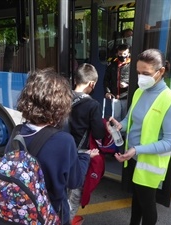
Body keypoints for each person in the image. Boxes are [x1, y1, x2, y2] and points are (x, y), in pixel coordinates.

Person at [4, 68, 93, 225]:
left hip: (22, 210)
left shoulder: (17, 132)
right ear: (61, 106)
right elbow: (75, 181)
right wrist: (85, 157)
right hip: (51, 213)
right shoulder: (64, 141)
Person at [109, 48, 171, 225]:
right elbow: (131, 118)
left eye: (146, 73)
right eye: (138, 72)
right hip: (133, 158)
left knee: (148, 205)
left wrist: (137, 149)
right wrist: (121, 125)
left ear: (161, 72)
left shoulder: (170, 102)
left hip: (149, 163)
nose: (141, 77)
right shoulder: (139, 91)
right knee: (136, 201)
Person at [68, 63, 105, 224]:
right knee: (74, 194)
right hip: (80, 154)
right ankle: (66, 220)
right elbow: (98, 134)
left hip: (61, 151)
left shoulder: (62, 97)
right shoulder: (92, 105)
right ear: (92, 84)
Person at [103, 43, 131, 122]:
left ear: (128, 54)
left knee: (126, 116)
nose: (122, 56)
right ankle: (117, 133)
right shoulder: (112, 65)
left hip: (126, 96)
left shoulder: (132, 66)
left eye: (125, 54)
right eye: (120, 54)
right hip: (115, 96)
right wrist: (107, 92)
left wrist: (127, 85)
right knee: (116, 116)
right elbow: (106, 80)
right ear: (117, 54)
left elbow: (136, 80)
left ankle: (124, 133)